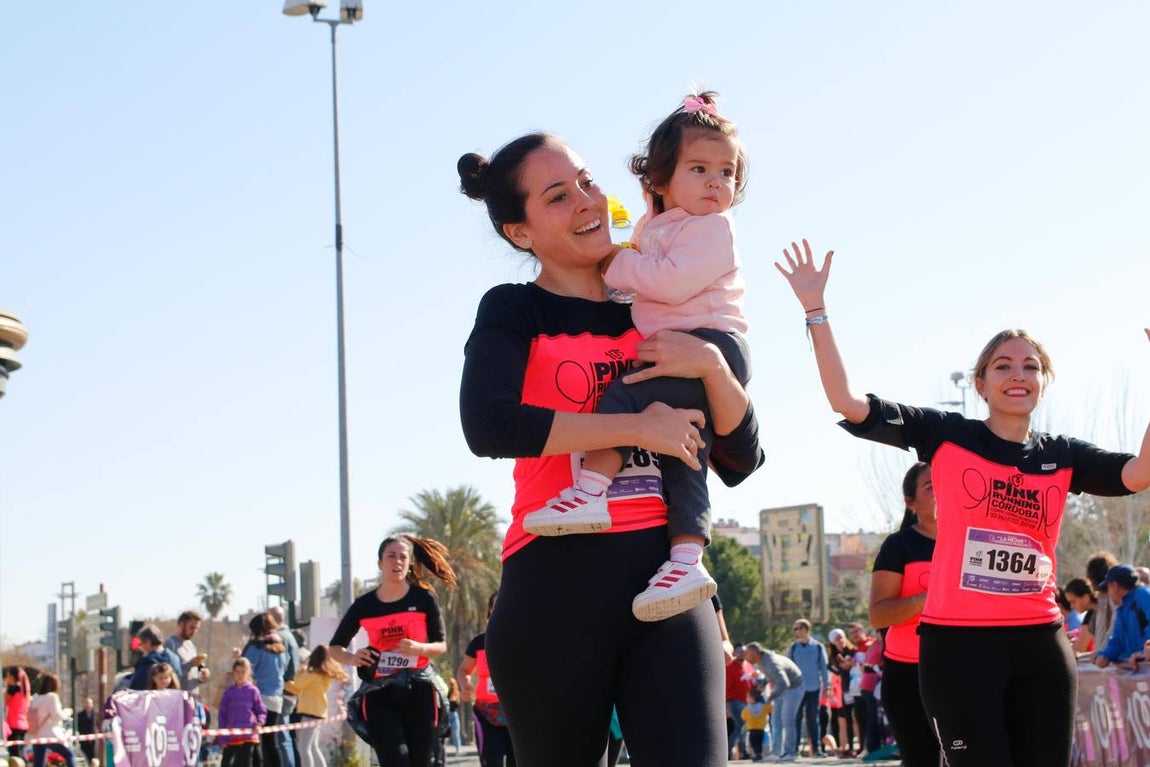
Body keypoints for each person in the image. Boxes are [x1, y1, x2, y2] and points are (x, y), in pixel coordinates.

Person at [776, 238, 1150, 766]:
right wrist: (815, 310)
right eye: (1003, 365)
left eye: (1030, 366)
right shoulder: (948, 436)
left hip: (1040, 645)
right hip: (959, 649)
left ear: (1044, 382)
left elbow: (1138, 473)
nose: (1017, 374)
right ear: (980, 383)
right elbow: (848, 402)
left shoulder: (1063, 455)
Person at [457, 130, 765, 767]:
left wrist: (712, 366)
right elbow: (488, 426)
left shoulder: (660, 302)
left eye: (587, 182)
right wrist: (636, 429)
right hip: (553, 586)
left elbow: (740, 458)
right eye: (557, 197)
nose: (586, 201)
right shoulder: (514, 310)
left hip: (668, 581)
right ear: (521, 232)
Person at [520, 91, 752, 624]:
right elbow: (644, 277)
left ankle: (590, 489)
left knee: (624, 397)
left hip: (710, 343)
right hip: (688, 346)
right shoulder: (662, 224)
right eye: (699, 169)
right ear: (661, 181)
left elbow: (668, 283)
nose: (716, 183)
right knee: (684, 449)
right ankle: (687, 558)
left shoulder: (713, 228)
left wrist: (615, 265)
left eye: (727, 172)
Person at [329, 534, 456, 767]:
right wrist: (353, 658)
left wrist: (419, 648)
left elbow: (441, 645)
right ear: (380, 564)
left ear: (409, 564)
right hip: (379, 691)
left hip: (419, 689)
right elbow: (335, 648)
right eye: (391, 556)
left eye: (403, 557)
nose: (397, 561)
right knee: (394, 759)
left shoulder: (423, 598)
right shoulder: (364, 605)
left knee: (421, 761)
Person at [865, 461, 939, 766]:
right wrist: (927, 598)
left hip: (963, 668)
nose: (941, 491)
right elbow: (878, 615)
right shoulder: (899, 546)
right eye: (930, 487)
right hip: (909, 674)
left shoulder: (971, 542)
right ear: (911, 503)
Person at [458, 593, 513, 767]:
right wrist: (465, 684)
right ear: (490, 610)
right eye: (497, 605)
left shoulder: (523, 640)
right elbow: (464, 670)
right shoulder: (479, 642)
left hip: (517, 714)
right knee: (491, 762)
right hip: (486, 714)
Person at [283, 645, 348, 767]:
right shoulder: (323, 675)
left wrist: (286, 680)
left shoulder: (312, 673)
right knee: (313, 747)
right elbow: (299, 688)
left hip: (310, 713)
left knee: (303, 748)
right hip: (318, 712)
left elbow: (297, 685)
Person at [744, 642, 802, 763]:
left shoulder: (772, 663)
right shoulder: (761, 661)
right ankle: (776, 752)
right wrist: (764, 683)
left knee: (787, 720)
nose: (746, 657)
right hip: (780, 687)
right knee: (775, 721)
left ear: (755, 653)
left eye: (747, 654)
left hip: (793, 687)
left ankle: (790, 753)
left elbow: (784, 683)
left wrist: (770, 697)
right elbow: (770, 675)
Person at [242, 613, 287, 767]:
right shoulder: (281, 649)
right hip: (276, 698)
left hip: (259, 697)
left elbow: (246, 669)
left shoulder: (256, 648)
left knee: (254, 740)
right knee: (271, 742)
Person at [785, 619, 828, 758]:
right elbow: (788, 668)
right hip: (796, 689)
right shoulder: (793, 647)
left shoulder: (818, 647)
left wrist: (827, 687)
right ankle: (794, 750)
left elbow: (824, 668)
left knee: (813, 719)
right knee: (795, 719)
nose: (795, 632)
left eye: (796, 628)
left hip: (814, 688)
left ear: (804, 629)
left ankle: (816, 749)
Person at [1094, 564, 1150, 668]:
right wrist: (1105, 656)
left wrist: (1144, 653)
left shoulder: (1144, 596)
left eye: (1108, 588)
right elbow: (1117, 641)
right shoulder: (1122, 609)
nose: (1108, 594)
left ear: (1114, 586)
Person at [267, 606, 301, 767]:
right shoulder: (290, 636)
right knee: (284, 735)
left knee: (281, 737)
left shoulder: (280, 637)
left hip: (282, 691)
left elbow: (280, 666)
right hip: (290, 690)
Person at [218, 658, 267, 767]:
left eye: (243, 672)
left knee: (245, 763)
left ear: (248, 673)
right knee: (226, 763)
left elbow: (261, 710)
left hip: (248, 735)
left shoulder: (253, 691)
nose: (240, 675)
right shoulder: (228, 692)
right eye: (237, 672)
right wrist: (222, 737)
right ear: (233, 673)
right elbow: (222, 715)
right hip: (232, 735)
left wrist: (259, 723)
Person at [27, 673, 75, 767]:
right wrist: (67, 712)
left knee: (39, 762)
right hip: (50, 733)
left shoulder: (36, 698)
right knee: (69, 754)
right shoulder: (52, 697)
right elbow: (57, 715)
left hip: (36, 734)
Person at [825, 628, 856, 758]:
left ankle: (859, 747)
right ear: (833, 641)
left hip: (856, 688)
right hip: (843, 691)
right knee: (844, 719)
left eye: (842, 637)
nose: (841, 640)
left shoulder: (853, 651)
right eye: (837, 638)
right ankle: (845, 748)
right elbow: (839, 669)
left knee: (857, 718)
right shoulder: (833, 657)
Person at [165, 610, 210, 696]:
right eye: (191, 628)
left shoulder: (190, 645)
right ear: (181, 625)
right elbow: (169, 673)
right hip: (178, 697)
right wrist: (190, 664)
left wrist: (203, 673)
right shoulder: (170, 643)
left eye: (197, 628)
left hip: (193, 696)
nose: (194, 631)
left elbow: (195, 671)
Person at [129, 625, 183, 691]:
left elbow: (138, 686)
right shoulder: (175, 658)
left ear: (148, 642)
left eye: (140, 644)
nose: (140, 648)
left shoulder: (148, 661)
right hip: (173, 695)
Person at [725, 645, 755, 761]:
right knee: (739, 725)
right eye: (739, 650)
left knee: (743, 727)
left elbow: (752, 683)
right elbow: (726, 686)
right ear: (735, 652)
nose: (742, 653)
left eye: (744, 651)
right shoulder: (730, 666)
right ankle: (727, 751)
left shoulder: (749, 666)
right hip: (733, 701)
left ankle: (743, 752)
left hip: (746, 701)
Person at [1064, 577, 1099, 654]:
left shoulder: (1092, 616)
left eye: (1073, 602)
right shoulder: (1100, 608)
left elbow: (1079, 648)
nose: (1072, 607)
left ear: (1086, 597)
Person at [4, 666, 32, 746]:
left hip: (13, 724)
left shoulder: (12, 689)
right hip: (23, 725)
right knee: (20, 749)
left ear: (12, 677)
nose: (6, 678)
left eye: (8, 676)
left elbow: (3, 701)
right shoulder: (24, 690)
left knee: (14, 751)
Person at [741, 689, 769, 762]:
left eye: (747, 697)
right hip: (761, 728)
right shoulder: (763, 706)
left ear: (751, 698)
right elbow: (770, 708)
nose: (746, 698)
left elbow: (743, 716)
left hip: (752, 729)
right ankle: (759, 754)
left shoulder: (747, 708)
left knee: (753, 743)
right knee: (759, 742)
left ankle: (757, 755)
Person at [75, 698, 96, 766]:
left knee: (93, 758)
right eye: (86, 703)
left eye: (89, 703)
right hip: (84, 740)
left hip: (93, 740)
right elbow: (78, 727)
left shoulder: (95, 715)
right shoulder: (80, 715)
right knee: (85, 757)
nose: (88, 705)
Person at [444, 678, 461, 758]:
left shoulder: (456, 693)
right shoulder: (446, 691)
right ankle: (443, 751)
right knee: (445, 733)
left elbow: (457, 706)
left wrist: (454, 700)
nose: (450, 685)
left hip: (453, 714)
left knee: (455, 733)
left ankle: (458, 750)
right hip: (447, 714)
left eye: (451, 684)